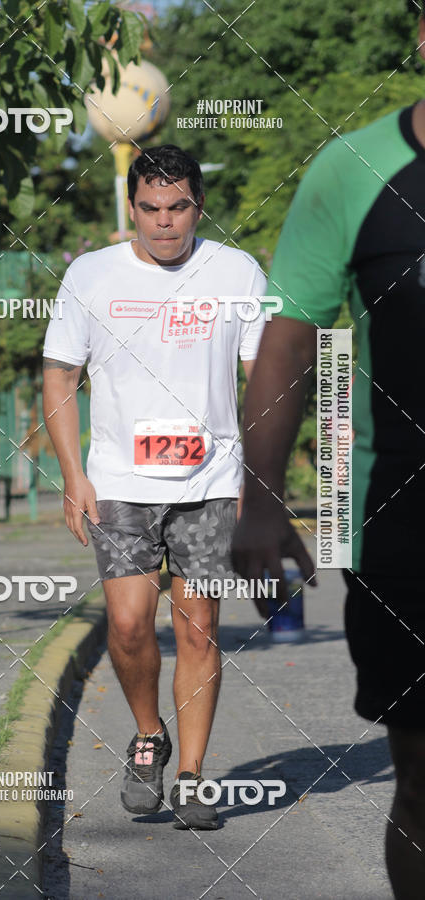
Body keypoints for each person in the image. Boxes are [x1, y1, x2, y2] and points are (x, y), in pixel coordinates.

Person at [232, 10, 425, 896]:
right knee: (422, 786)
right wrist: (261, 501)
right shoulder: (349, 172)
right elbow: (289, 337)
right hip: (407, 521)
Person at [42, 144, 266, 829]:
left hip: (211, 480)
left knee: (198, 630)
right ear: (131, 207)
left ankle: (193, 776)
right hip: (118, 482)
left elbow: (266, 382)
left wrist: (258, 479)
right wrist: (73, 475)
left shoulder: (237, 271)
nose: (164, 223)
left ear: (199, 205)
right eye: (150, 209)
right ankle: (149, 735)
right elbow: (59, 376)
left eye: (178, 208)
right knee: (132, 625)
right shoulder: (91, 275)